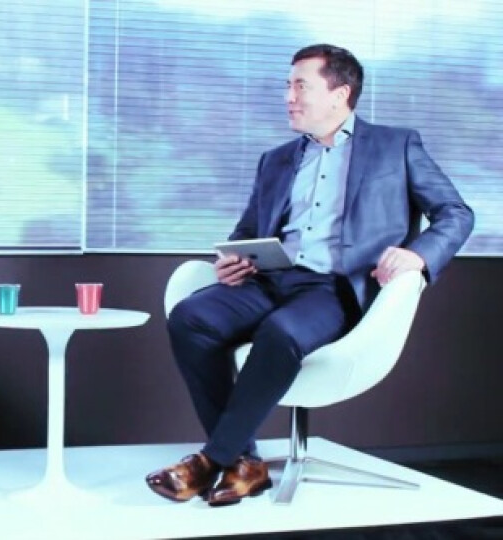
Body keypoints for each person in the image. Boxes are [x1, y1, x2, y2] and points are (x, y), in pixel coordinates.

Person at [146, 44, 474, 507]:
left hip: (334, 290)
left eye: (301, 86)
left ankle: (211, 460)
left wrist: (418, 256)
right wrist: (234, 258)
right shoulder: (276, 159)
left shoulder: (395, 146)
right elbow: (247, 229)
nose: (289, 97)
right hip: (270, 281)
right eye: (288, 85)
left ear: (340, 94)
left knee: (280, 333)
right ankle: (246, 463)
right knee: (190, 317)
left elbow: (456, 213)